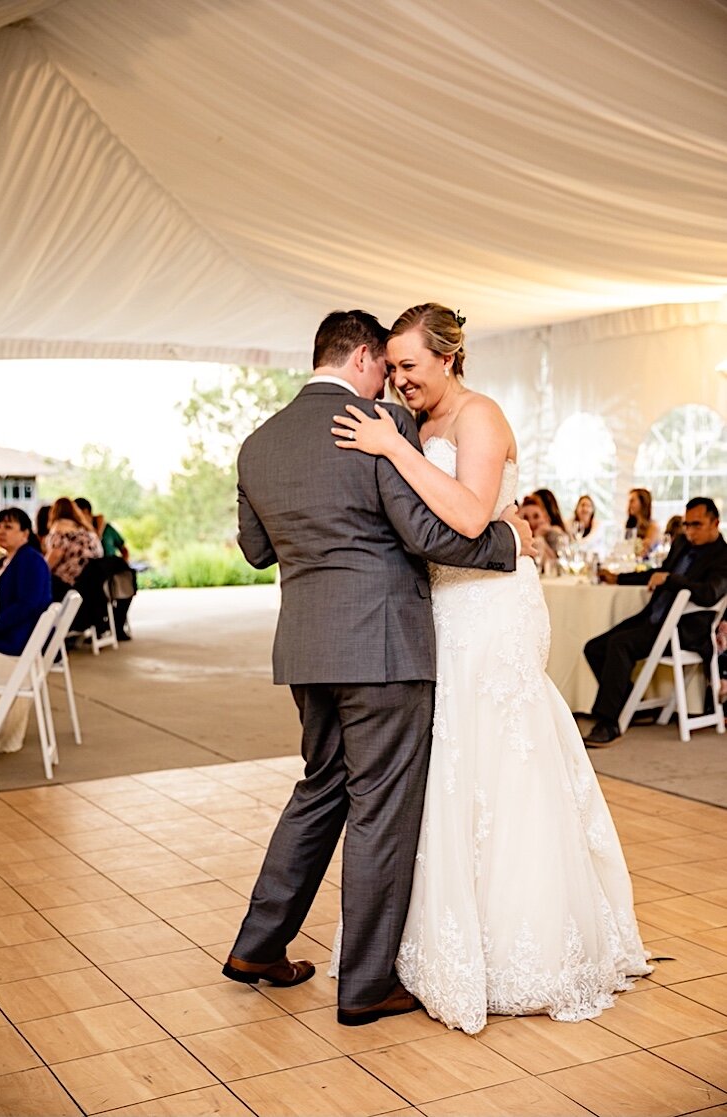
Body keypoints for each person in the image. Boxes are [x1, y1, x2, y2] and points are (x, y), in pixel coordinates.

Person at [329, 303, 649, 1032]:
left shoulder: (480, 416)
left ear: (448, 358)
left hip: (493, 605)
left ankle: (524, 948)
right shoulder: (415, 424)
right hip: (441, 605)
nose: (399, 378)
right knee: (448, 763)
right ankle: (441, 939)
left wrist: (393, 450)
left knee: (503, 760)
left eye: (410, 364)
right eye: (394, 366)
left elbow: (472, 517)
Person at [224, 309, 532, 1027]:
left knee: (319, 790)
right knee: (379, 812)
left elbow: (256, 551)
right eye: (385, 366)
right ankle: (364, 986)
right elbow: (431, 533)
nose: (390, 381)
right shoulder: (370, 431)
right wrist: (510, 544)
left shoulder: (258, 443)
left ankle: (257, 945)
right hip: (384, 649)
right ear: (363, 356)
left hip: (306, 648)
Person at [582, 496, 727, 747]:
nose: (690, 531)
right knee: (594, 647)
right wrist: (618, 579)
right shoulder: (681, 543)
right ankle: (629, 703)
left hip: (684, 631)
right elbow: (656, 574)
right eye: (687, 524)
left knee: (620, 644)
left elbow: (709, 593)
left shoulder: (722, 557)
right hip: (654, 619)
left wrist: (671, 579)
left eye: (697, 525)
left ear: (715, 523)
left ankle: (608, 723)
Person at [0, 507, 53, 754]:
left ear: (25, 533)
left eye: (8, 527)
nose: (1, 532)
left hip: (14, 641)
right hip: (1, 631)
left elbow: (27, 606)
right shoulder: (5, 561)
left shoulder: (31, 561)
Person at [75, 497, 135, 640]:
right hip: (94, 574)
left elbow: (123, 548)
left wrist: (125, 562)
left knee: (127, 584)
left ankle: (117, 625)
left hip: (113, 568)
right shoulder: (80, 533)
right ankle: (99, 625)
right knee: (96, 590)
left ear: (86, 512)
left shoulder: (106, 528)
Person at [43, 496, 102, 602]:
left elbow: (51, 560)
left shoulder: (59, 529)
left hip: (68, 585)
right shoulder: (88, 533)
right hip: (92, 585)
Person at [518, 494, 565, 572]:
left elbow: (554, 566)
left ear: (545, 517)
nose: (531, 522)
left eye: (536, 516)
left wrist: (539, 538)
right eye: (525, 517)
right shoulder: (516, 540)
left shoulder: (554, 534)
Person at [625, 487, 661, 553]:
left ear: (643, 503)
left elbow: (643, 552)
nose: (629, 504)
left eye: (632, 501)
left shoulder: (653, 526)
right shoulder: (631, 524)